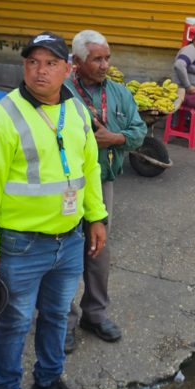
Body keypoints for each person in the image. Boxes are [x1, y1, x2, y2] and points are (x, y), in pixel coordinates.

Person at [0, 31, 108, 389]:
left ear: (68, 68)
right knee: (14, 324)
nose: (40, 70)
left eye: (50, 63)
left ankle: (47, 381)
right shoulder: (2, 117)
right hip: (20, 244)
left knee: (55, 316)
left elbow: (90, 167)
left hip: (67, 240)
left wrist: (96, 217)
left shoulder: (77, 110)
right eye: (33, 62)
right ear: (24, 67)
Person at [64, 29, 147, 353]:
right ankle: (64, 321)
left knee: (98, 248)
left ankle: (94, 314)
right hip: (67, 183)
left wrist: (116, 138)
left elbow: (138, 130)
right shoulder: (62, 92)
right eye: (96, 59)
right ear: (77, 62)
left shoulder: (118, 93)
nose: (104, 65)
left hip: (103, 181)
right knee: (67, 250)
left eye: (107, 58)